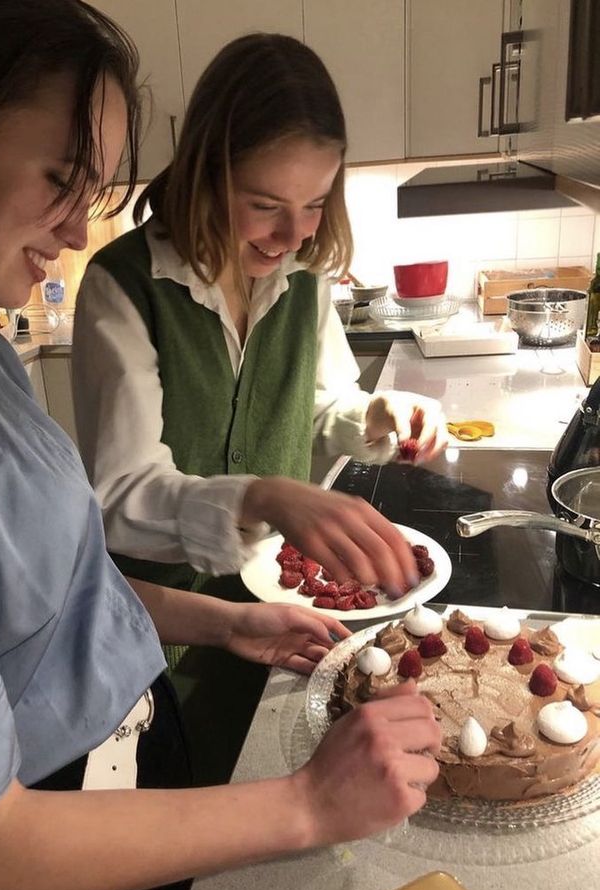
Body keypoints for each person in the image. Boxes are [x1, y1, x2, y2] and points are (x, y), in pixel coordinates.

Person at [0, 2, 442, 890]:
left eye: (90, 192)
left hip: (135, 748)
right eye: (63, 177)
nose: (72, 229)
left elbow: (49, 591)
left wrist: (227, 621)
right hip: (62, 822)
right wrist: (309, 807)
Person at [71, 32, 448, 784]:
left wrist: (373, 417)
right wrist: (264, 495)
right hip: (163, 633)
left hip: (285, 618)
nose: (295, 233)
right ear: (207, 175)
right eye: (266, 204)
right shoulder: (124, 286)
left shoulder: (302, 278)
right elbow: (119, 497)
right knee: (185, 807)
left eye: (315, 203)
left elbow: (322, 402)